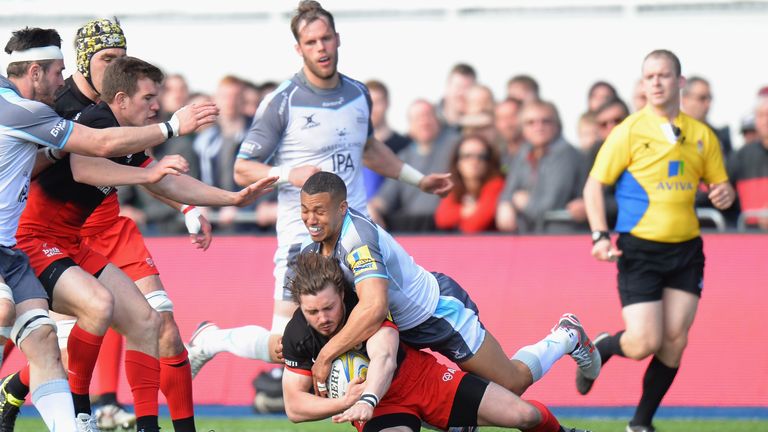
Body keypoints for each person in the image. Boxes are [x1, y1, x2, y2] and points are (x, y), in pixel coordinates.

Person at [187, 0, 452, 379]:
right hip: (303, 238)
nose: (321, 48)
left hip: (357, 234)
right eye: (311, 42)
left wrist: (418, 179)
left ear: (338, 38)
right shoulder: (282, 101)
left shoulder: (359, 93)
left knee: (380, 327)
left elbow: (371, 149)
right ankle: (212, 340)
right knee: (286, 347)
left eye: (326, 38)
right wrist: (288, 174)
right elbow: (242, 169)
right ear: (298, 49)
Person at [0, 26, 217, 432]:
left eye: (121, 56)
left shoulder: (121, 105)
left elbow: (144, 166)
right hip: (46, 232)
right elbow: (85, 157)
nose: (116, 66)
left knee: (157, 326)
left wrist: (190, 205)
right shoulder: (50, 102)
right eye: (106, 58)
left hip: (107, 226)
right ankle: (65, 404)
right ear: (82, 64)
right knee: (66, 328)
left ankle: (143, 424)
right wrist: (173, 127)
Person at [294, 172, 599, 401]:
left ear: (343, 207)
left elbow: (373, 307)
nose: (311, 219)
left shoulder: (356, 240)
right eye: (305, 210)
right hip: (398, 329)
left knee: (512, 384)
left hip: (438, 315)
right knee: (408, 398)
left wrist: (325, 357)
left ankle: (566, 336)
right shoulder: (313, 247)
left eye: (319, 210)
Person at [579, 49, 735, 432]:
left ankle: (640, 422)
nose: (657, 83)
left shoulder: (701, 135)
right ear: (643, 84)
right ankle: (603, 346)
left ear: (679, 81)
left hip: (686, 250)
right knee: (643, 342)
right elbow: (594, 186)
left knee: (675, 340)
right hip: (641, 249)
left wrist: (724, 194)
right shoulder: (629, 130)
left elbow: (721, 185)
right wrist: (600, 235)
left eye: (664, 75)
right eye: (650, 77)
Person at [281, 252, 590, 432]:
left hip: (421, 379)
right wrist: (347, 402)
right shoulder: (297, 334)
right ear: (300, 307)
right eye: (312, 311)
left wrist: (365, 398)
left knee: (524, 414)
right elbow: (294, 406)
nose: (322, 317)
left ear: (341, 295)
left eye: (328, 307)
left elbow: (385, 357)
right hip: (383, 409)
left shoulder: (364, 304)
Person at [496, 100, 589, 233]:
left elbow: (549, 206)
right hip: (531, 236)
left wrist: (525, 203)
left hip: (562, 237)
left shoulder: (567, 155)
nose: (538, 127)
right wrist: (505, 203)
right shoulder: (524, 152)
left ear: (557, 125)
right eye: (530, 122)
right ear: (522, 128)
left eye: (546, 121)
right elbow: (509, 190)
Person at [368, 100, 457, 232]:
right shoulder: (403, 158)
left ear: (437, 119)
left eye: (428, 115)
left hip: (451, 228)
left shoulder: (456, 147)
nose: (424, 122)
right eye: (418, 118)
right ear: (409, 126)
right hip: (414, 231)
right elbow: (385, 198)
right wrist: (371, 208)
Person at [435, 134, 505, 233]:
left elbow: (473, 226)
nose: (474, 161)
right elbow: (441, 218)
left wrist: (461, 216)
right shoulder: (455, 186)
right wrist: (465, 211)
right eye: (467, 156)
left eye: (481, 157)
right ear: (457, 161)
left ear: (489, 162)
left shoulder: (496, 183)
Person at [361, 80, 410, 199]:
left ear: (387, 103)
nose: (372, 108)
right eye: (368, 102)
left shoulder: (405, 145)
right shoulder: (354, 147)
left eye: (377, 102)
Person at [728, 96, 768, 230]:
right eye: (761, 115)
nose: (765, 121)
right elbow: (723, 192)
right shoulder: (741, 156)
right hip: (749, 237)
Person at [436, 63, 477, 131]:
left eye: (468, 88)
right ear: (447, 87)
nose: (462, 93)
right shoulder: (429, 118)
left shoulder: (481, 125)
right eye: (458, 87)